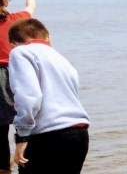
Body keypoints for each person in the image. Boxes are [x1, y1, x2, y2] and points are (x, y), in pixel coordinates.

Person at [8, 18, 90, 173]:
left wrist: (22, 136)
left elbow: (28, 97)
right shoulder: (60, 58)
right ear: (47, 37)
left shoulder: (20, 52)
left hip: (49, 136)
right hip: (79, 134)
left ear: (13, 43)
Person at [0, 0, 34, 174]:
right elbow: (31, 7)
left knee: (0, 130)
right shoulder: (14, 19)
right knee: (25, 120)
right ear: (6, 2)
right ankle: (24, 160)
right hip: (13, 73)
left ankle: (4, 169)